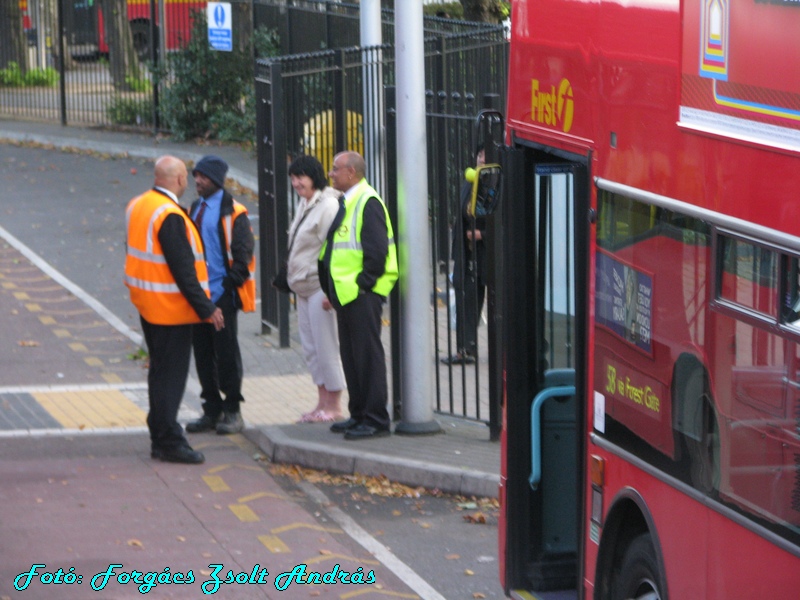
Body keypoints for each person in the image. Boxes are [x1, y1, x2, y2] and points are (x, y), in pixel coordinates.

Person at [124, 155, 224, 464]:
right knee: (171, 376)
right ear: (179, 180)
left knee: (159, 372)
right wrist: (206, 307)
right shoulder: (169, 214)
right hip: (171, 309)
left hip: (147, 303)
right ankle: (167, 439)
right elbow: (184, 270)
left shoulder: (138, 204)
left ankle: (160, 432)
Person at [319, 151, 399, 440]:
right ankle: (359, 414)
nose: (331, 173)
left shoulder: (368, 202)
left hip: (362, 293)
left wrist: (363, 284)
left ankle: (376, 419)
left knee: (367, 357)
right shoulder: (350, 201)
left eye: (335, 169)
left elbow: (377, 252)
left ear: (351, 172)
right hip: (349, 293)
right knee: (352, 357)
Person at [184, 155, 255, 436]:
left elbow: (243, 254)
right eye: (195, 175)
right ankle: (211, 410)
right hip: (199, 295)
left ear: (216, 179)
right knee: (202, 354)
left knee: (226, 354)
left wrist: (227, 288)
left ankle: (233, 410)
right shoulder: (194, 208)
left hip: (222, 294)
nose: (197, 181)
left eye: (202, 176)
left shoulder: (234, 212)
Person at [283, 155, 347, 423]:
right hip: (303, 287)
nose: (297, 183)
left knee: (326, 346)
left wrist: (333, 293)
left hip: (320, 287)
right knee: (311, 348)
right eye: (294, 178)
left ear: (314, 177)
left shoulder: (328, 205)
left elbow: (334, 250)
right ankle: (321, 402)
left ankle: (334, 406)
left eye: (301, 177)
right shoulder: (305, 203)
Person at [442, 146, 487, 365]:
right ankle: (464, 348)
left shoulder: (494, 185)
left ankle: (471, 349)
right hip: (464, 252)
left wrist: (483, 234)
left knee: (474, 300)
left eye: (486, 156)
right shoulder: (470, 180)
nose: (481, 159)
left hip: (484, 254)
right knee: (462, 297)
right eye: (479, 155)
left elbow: (505, 221)